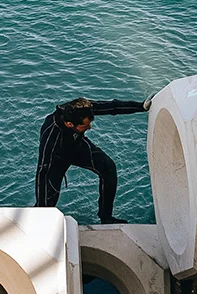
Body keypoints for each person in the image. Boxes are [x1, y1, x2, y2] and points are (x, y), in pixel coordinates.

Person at [35, 95, 153, 224]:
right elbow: (43, 170)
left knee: (108, 167)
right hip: (57, 159)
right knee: (45, 205)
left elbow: (112, 107)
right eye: (85, 125)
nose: (89, 127)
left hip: (77, 146)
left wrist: (141, 106)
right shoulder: (51, 136)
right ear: (69, 124)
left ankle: (106, 217)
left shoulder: (80, 109)